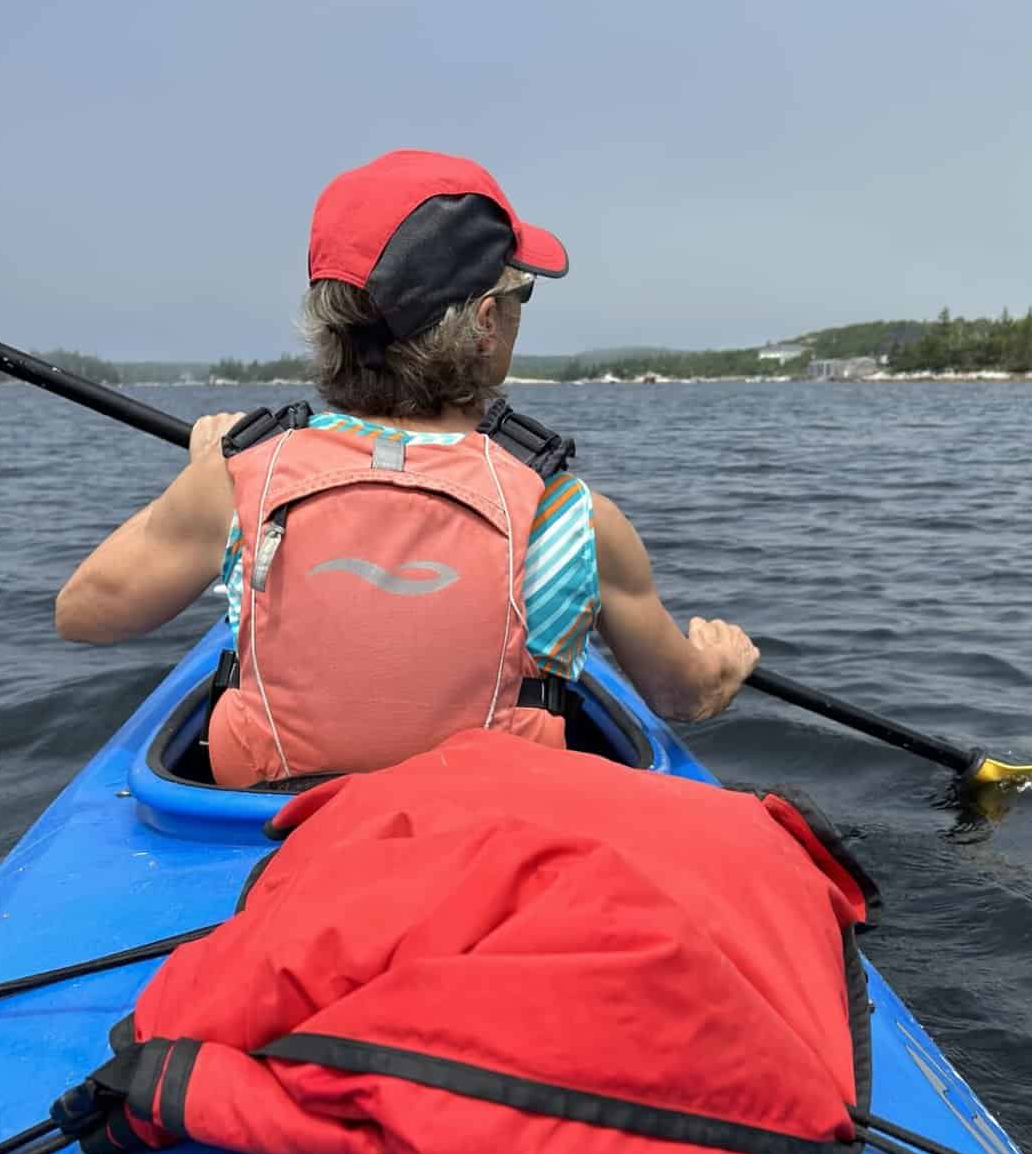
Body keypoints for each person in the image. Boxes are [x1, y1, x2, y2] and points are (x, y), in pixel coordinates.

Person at [56, 149, 757, 786]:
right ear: (485, 321)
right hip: (491, 831)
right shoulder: (572, 514)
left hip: (267, 817)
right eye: (520, 296)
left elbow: (85, 615)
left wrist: (205, 471)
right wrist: (722, 663)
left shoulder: (240, 478)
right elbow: (681, 697)